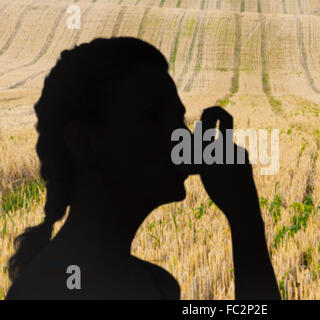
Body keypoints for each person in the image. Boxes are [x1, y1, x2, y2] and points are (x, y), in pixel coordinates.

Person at [6, 37, 281, 299]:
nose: (182, 138)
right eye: (153, 116)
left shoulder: (154, 285)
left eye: (179, 119)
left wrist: (244, 217)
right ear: (83, 142)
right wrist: (246, 221)